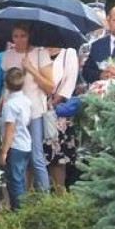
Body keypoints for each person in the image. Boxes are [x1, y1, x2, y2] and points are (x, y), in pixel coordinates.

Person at [0, 23, 54, 192]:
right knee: (15, 154)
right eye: (15, 36)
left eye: (23, 36)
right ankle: (19, 198)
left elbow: (50, 87)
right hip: (13, 110)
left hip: (34, 110)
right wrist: (1, 100)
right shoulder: (8, 56)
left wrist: (31, 69)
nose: (19, 40)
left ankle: (45, 198)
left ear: (29, 35)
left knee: (36, 156)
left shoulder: (40, 53)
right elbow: (6, 82)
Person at [43, 46, 80, 191]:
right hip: (36, 108)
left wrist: (51, 103)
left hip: (58, 114)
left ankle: (60, 195)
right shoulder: (37, 50)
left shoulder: (69, 52)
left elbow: (69, 84)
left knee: (58, 158)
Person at [0, 68, 32, 211]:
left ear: (6, 85)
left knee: (15, 181)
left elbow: (10, 130)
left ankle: (19, 211)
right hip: (26, 144)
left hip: (15, 146)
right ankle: (18, 208)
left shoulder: (10, 105)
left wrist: (4, 151)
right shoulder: (26, 101)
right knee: (20, 178)